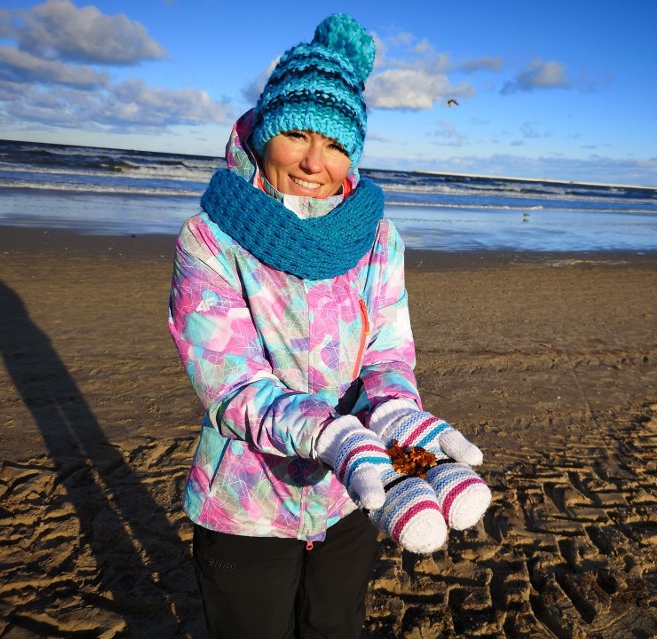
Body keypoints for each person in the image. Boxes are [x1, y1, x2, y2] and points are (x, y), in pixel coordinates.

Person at [167, 14, 490, 639]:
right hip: (247, 506)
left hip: (350, 496)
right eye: (298, 135)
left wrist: (395, 412)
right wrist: (331, 436)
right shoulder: (210, 240)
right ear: (265, 131)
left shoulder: (378, 238)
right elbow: (231, 386)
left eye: (337, 145)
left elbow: (388, 352)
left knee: (335, 627)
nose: (316, 161)